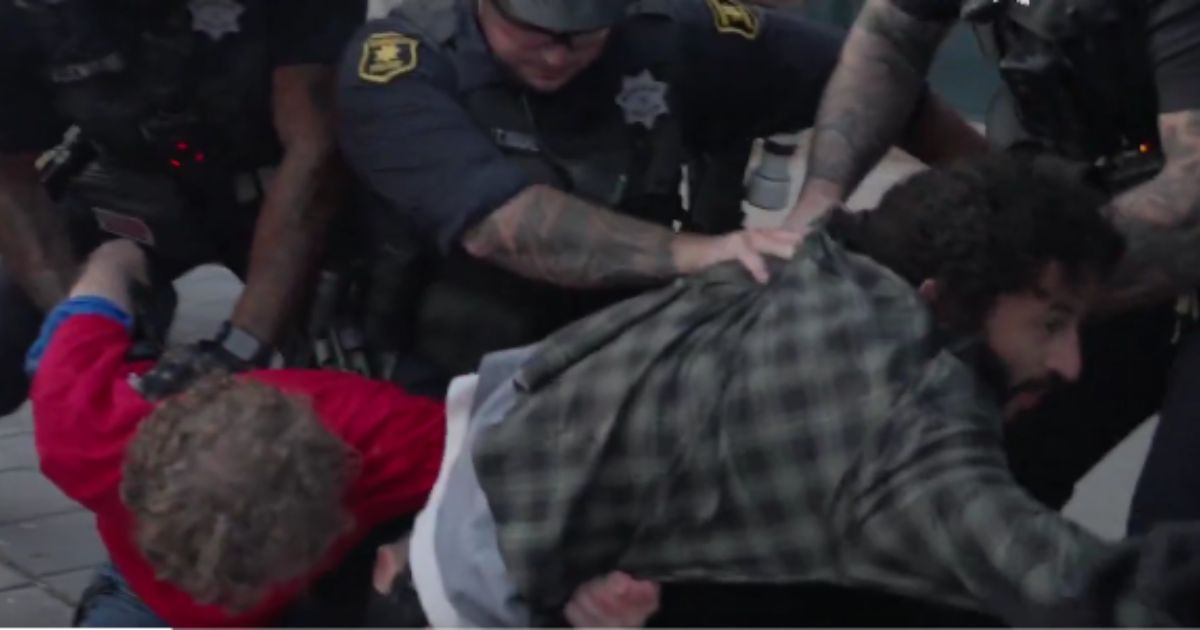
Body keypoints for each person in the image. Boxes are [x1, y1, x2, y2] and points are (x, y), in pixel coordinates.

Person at [365, 154, 1200, 627]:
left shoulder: (812, 259)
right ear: (940, 301)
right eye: (1049, 324)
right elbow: (1072, 583)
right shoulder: (897, 429)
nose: (1071, 363)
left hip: (456, 524)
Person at [336, 0, 987, 396]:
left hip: (633, 371)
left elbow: (879, 74)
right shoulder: (401, 68)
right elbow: (503, 225)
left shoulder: (667, 33)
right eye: (535, 29)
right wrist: (705, 253)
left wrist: (1000, 196)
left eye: (582, 33)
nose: (558, 55)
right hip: (442, 381)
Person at [782, 0, 1200, 519]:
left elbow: (1192, 199)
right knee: (948, 495)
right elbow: (891, 34)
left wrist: (997, 285)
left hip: (1143, 236)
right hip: (1084, 230)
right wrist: (818, 202)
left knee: (1174, 543)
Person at [25, 238, 446, 627]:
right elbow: (104, 274)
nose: (219, 599)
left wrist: (414, 552)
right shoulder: (85, 428)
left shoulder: (390, 435)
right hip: (148, 600)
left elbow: (482, 460)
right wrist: (126, 255)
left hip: (301, 600)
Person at [0, 0, 367, 414]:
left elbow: (314, 151)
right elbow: (13, 185)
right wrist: (81, 332)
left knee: (365, 373)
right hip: (127, 191)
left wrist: (242, 346)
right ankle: (140, 311)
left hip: (273, 188)